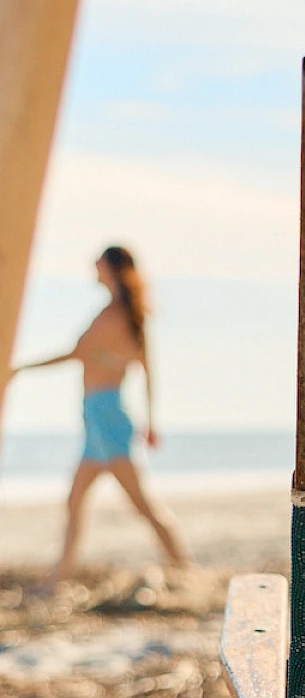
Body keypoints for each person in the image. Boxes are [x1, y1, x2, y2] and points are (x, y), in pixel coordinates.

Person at [8, 246, 188, 593]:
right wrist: (150, 420)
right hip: (99, 416)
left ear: (112, 268)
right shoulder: (128, 314)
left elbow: (76, 352)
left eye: (99, 262)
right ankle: (57, 578)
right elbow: (144, 370)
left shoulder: (115, 314)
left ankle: (183, 566)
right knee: (75, 501)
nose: (93, 266)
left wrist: (20, 370)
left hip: (106, 417)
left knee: (141, 505)